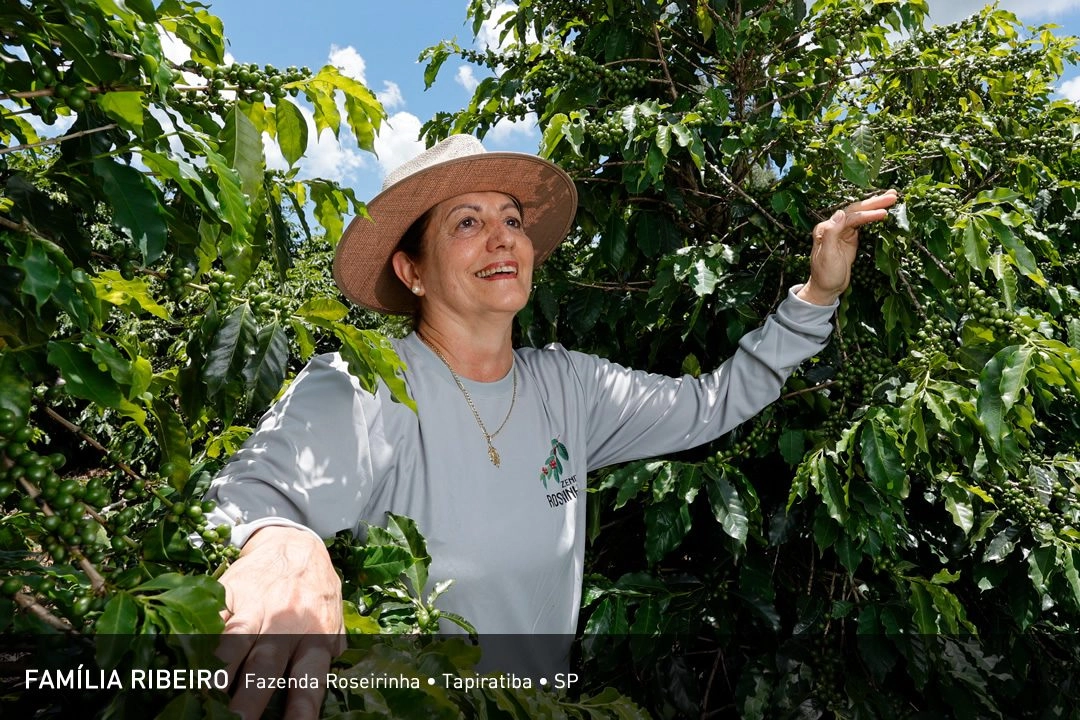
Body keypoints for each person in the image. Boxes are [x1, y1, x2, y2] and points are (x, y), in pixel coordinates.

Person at [204, 134, 898, 719]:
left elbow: (710, 404)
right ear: (411, 270)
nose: (502, 238)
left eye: (511, 219)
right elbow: (253, 490)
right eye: (467, 223)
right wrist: (283, 544)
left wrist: (818, 294)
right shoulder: (365, 382)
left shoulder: (570, 384)